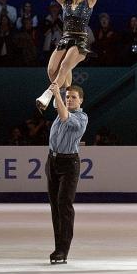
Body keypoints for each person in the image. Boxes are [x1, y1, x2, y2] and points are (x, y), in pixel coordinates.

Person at [32, 0, 126, 110]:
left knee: (64, 66)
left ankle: (48, 93)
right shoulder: (64, 1)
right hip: (65, 39)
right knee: (51, 69)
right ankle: (62, 93)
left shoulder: (89, 2)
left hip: (80, 42)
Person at [45, 84, 88, 264]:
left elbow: (64, 116)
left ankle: (64, 250)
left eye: (73, 97)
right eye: (68, 97)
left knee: (64, 204)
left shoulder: (81, 118)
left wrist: (57, 93)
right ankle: (58, 247)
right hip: (52, 161)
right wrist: (59, 84)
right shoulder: (62, 108)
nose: (69, 99)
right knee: (55, 206)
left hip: (69, 164)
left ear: (81, 101)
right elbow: (61, 83)